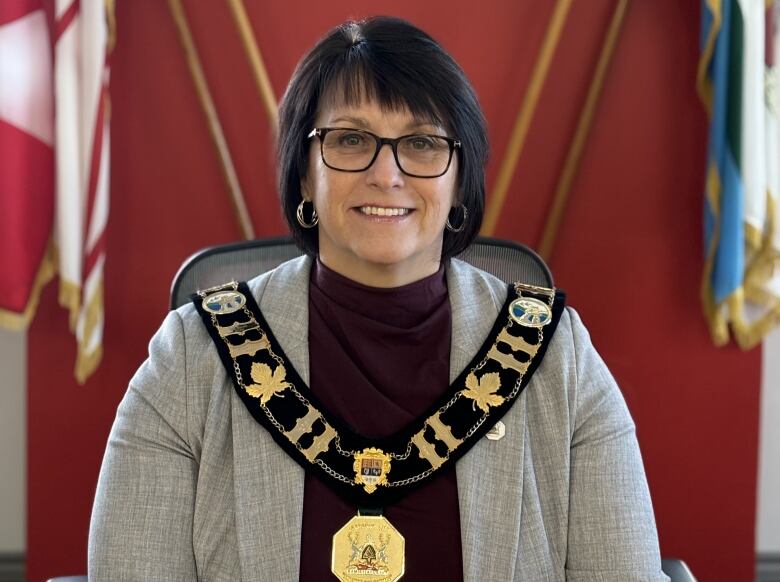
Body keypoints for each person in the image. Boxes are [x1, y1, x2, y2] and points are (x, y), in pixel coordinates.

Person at [88, 16, 668, 581]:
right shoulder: (192, 360)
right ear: (303, 175)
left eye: (420, 142)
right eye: (350, 139)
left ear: (460, 179)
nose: (386, 174)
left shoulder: (555, 358)